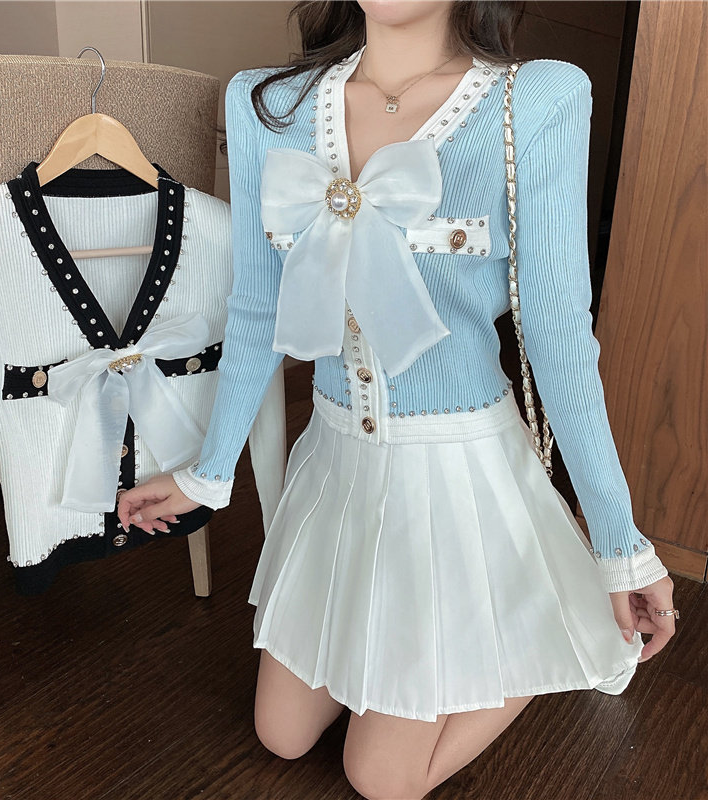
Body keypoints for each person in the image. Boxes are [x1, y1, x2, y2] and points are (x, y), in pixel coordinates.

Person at [118, 2, 678, 797]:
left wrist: (621, 546)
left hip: (454, 480)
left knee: (381, 777)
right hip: (337, 466)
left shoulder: (535, 100)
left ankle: (549, 620)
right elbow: (256, 309)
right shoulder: (266, 104)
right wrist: (208, 474)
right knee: (281, 735)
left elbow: (558, 337)